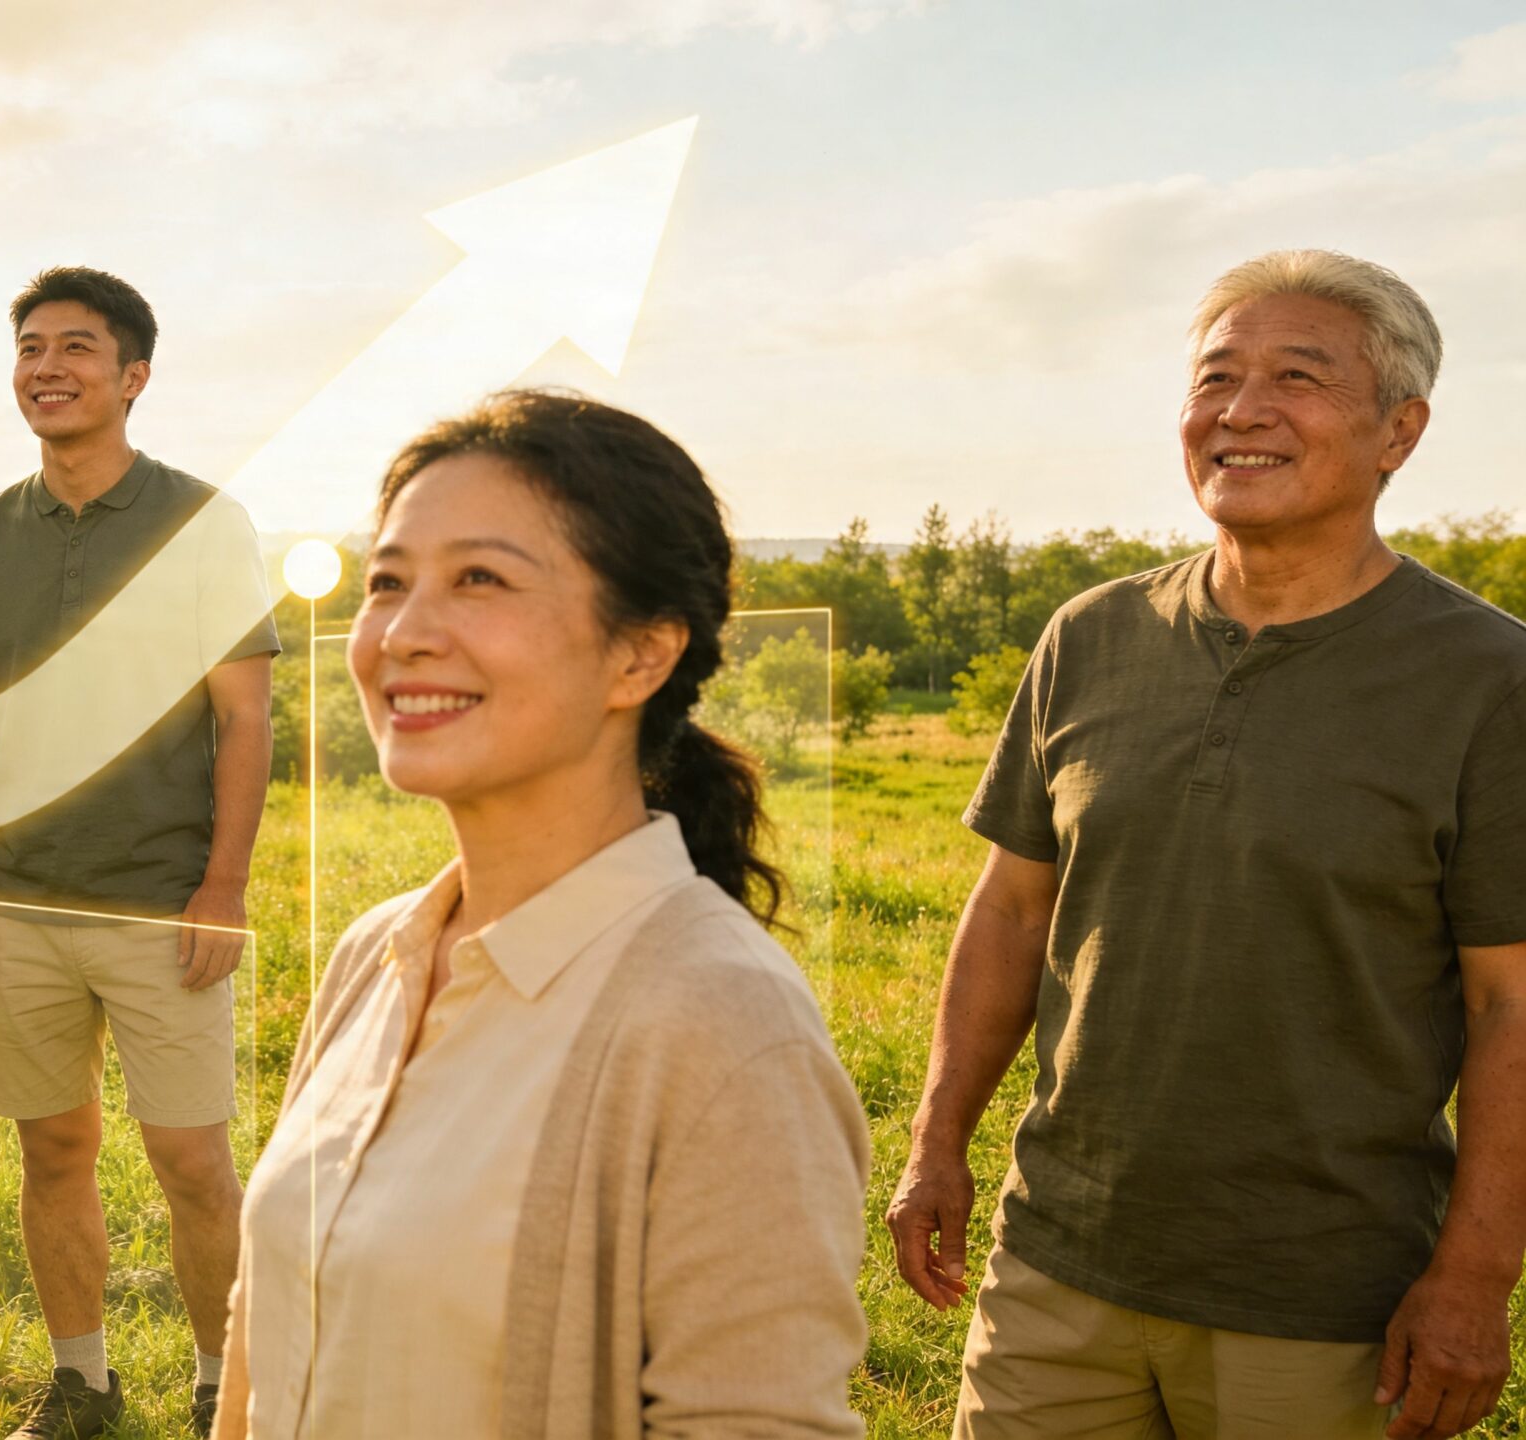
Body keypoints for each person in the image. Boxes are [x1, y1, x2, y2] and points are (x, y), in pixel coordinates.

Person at [887, 250, 1526, 1440]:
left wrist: (1476, 1278)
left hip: (1324, 1303)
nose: (1240, 411)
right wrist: (935, 1143)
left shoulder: (1491, 681)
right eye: (1215, 376)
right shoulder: (1090, 636)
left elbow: (1511, 1004)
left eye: (1299, 376)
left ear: (1400, 430)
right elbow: (1013, 912)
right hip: (1057, 1264)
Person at [215, 389, 871, 1439]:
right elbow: (270, 1318)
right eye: (388, 582)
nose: (405, 633)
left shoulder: (721, 1026)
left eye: (479, 579)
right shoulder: (375, 955)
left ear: (639, 655)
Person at [0, 265, 279, 1439]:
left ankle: (224, 1388)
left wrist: (223, 886)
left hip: (161, 902)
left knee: (188, 1159)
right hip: (18, 898)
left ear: (132, 377)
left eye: (76, 348)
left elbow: (245, 718)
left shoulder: (202, 521)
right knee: (53, 1148)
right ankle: (82, 1384)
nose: (47, 367)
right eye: (30, 346)